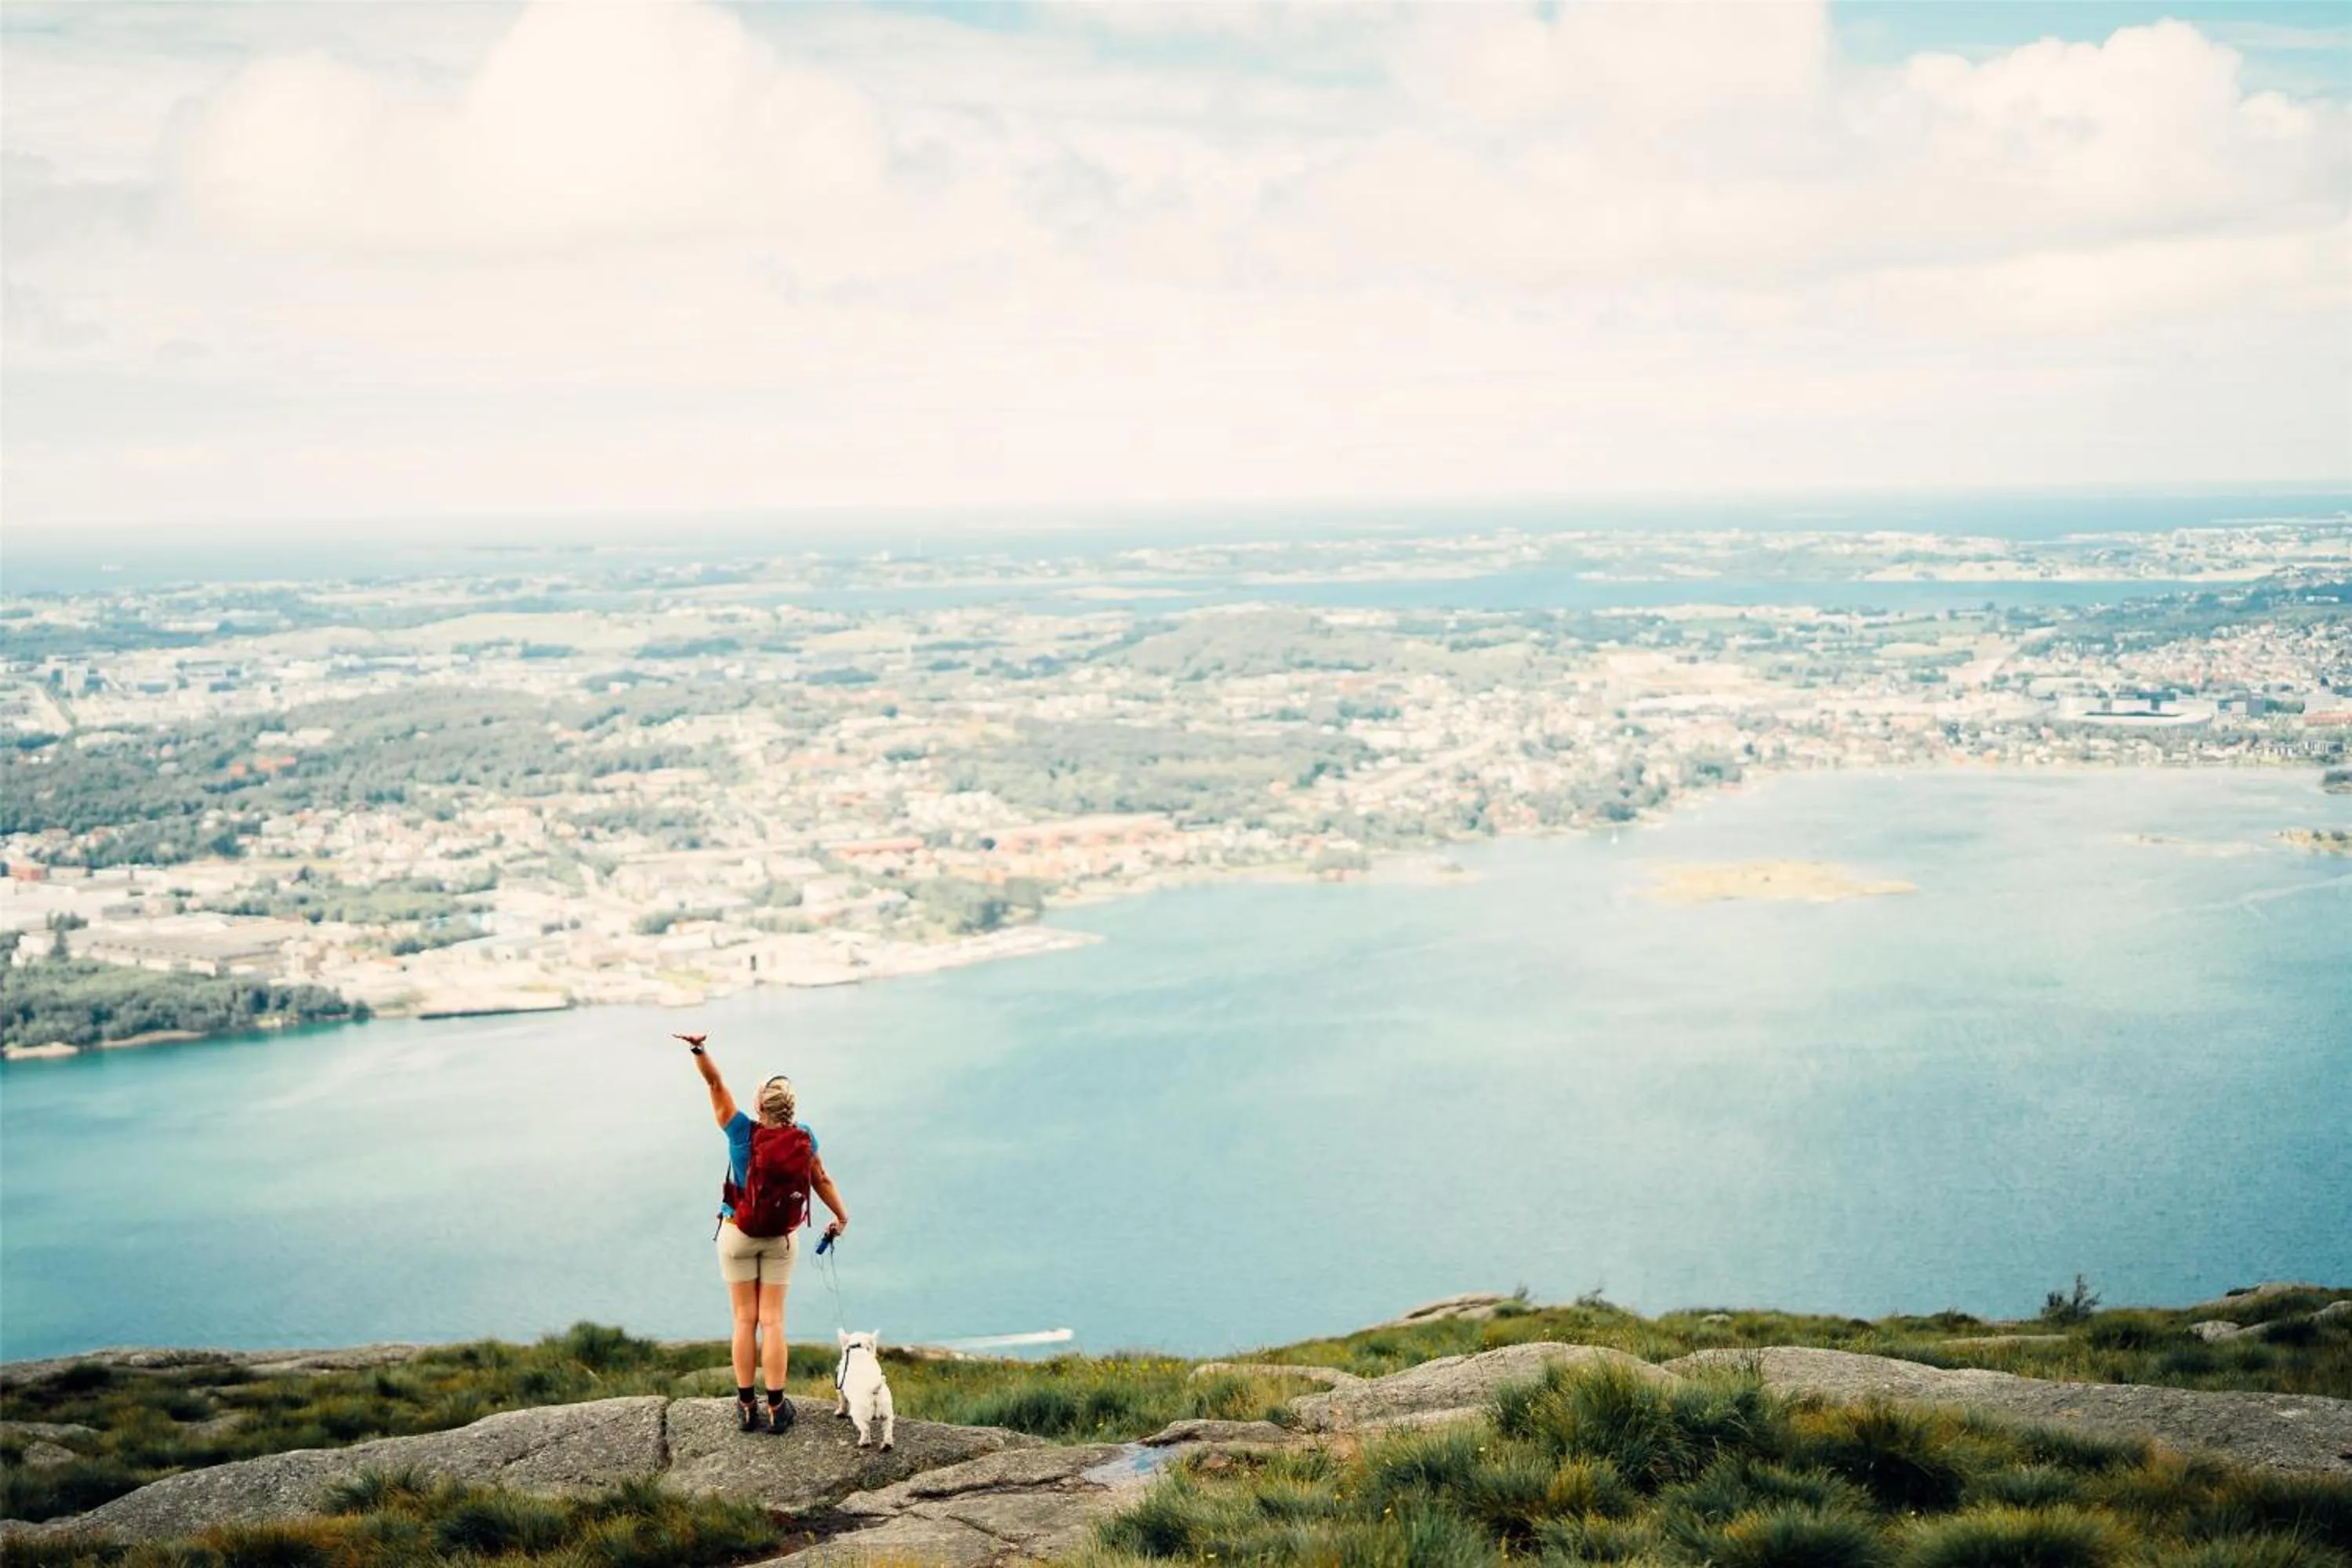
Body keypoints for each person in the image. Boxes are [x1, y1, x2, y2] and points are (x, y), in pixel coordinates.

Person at [677, 1033, 848, 1434]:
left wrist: (699, 1050)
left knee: (743, 1319)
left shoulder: (740, 1131)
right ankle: (776, 1409)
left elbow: (715, 1084)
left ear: (758, 1106)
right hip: (779, 1239)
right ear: (791, 1108)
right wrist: (841, 1216)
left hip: (737, 1232)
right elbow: (820, 1178)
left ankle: (746, 1406)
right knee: (772, 1322)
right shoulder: (804, 1135)